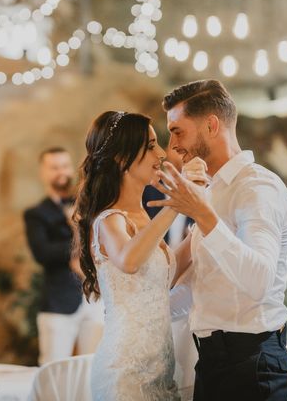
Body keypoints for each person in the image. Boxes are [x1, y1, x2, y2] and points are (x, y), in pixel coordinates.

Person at [148, 79, 287, 401]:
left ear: (212, 125)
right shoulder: (214, 191)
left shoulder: (257, 189)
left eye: (177, 131)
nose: (173, 146)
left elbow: (258, 282)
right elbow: (204, 285)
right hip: (214, 360)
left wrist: (203, 215)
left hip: (252, 364)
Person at [74, 111, 202, 400]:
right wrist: (177, 205)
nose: (161, 153)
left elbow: (167, 275)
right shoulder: (108, 220)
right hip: (124, 374)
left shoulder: (144, 216)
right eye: (150, 146)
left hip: (161, 369)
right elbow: (130, 261)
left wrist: (201, 223)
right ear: (122, 159)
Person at [23, 147, 104, 365]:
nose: (61, 172)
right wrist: (76, 231)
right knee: (53, 367)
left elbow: (101, 244)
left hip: (95, 298)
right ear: (43, 172)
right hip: (59, 302)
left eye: (65, 166)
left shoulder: (88, 206)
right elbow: (43, 253)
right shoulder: (37, 214)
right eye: (54, 167)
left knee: (93, 366)